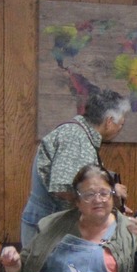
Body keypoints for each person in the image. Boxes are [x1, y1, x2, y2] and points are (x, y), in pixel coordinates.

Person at [3, 165, 137, 272]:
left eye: (104, 193)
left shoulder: (131, 230)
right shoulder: (53, 224)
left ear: (113, 196)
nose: (98, 200)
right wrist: (12, 265)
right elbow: (21, 271)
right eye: (89, 195)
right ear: (77, 201)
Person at [20, 89, 127, 245]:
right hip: (48, 229)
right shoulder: (75, 137)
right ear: (109, 121)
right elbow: (63, 188)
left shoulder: (79, 135)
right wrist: (108, 194)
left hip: (55, 227)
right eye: (121, 124)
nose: (119, 129)